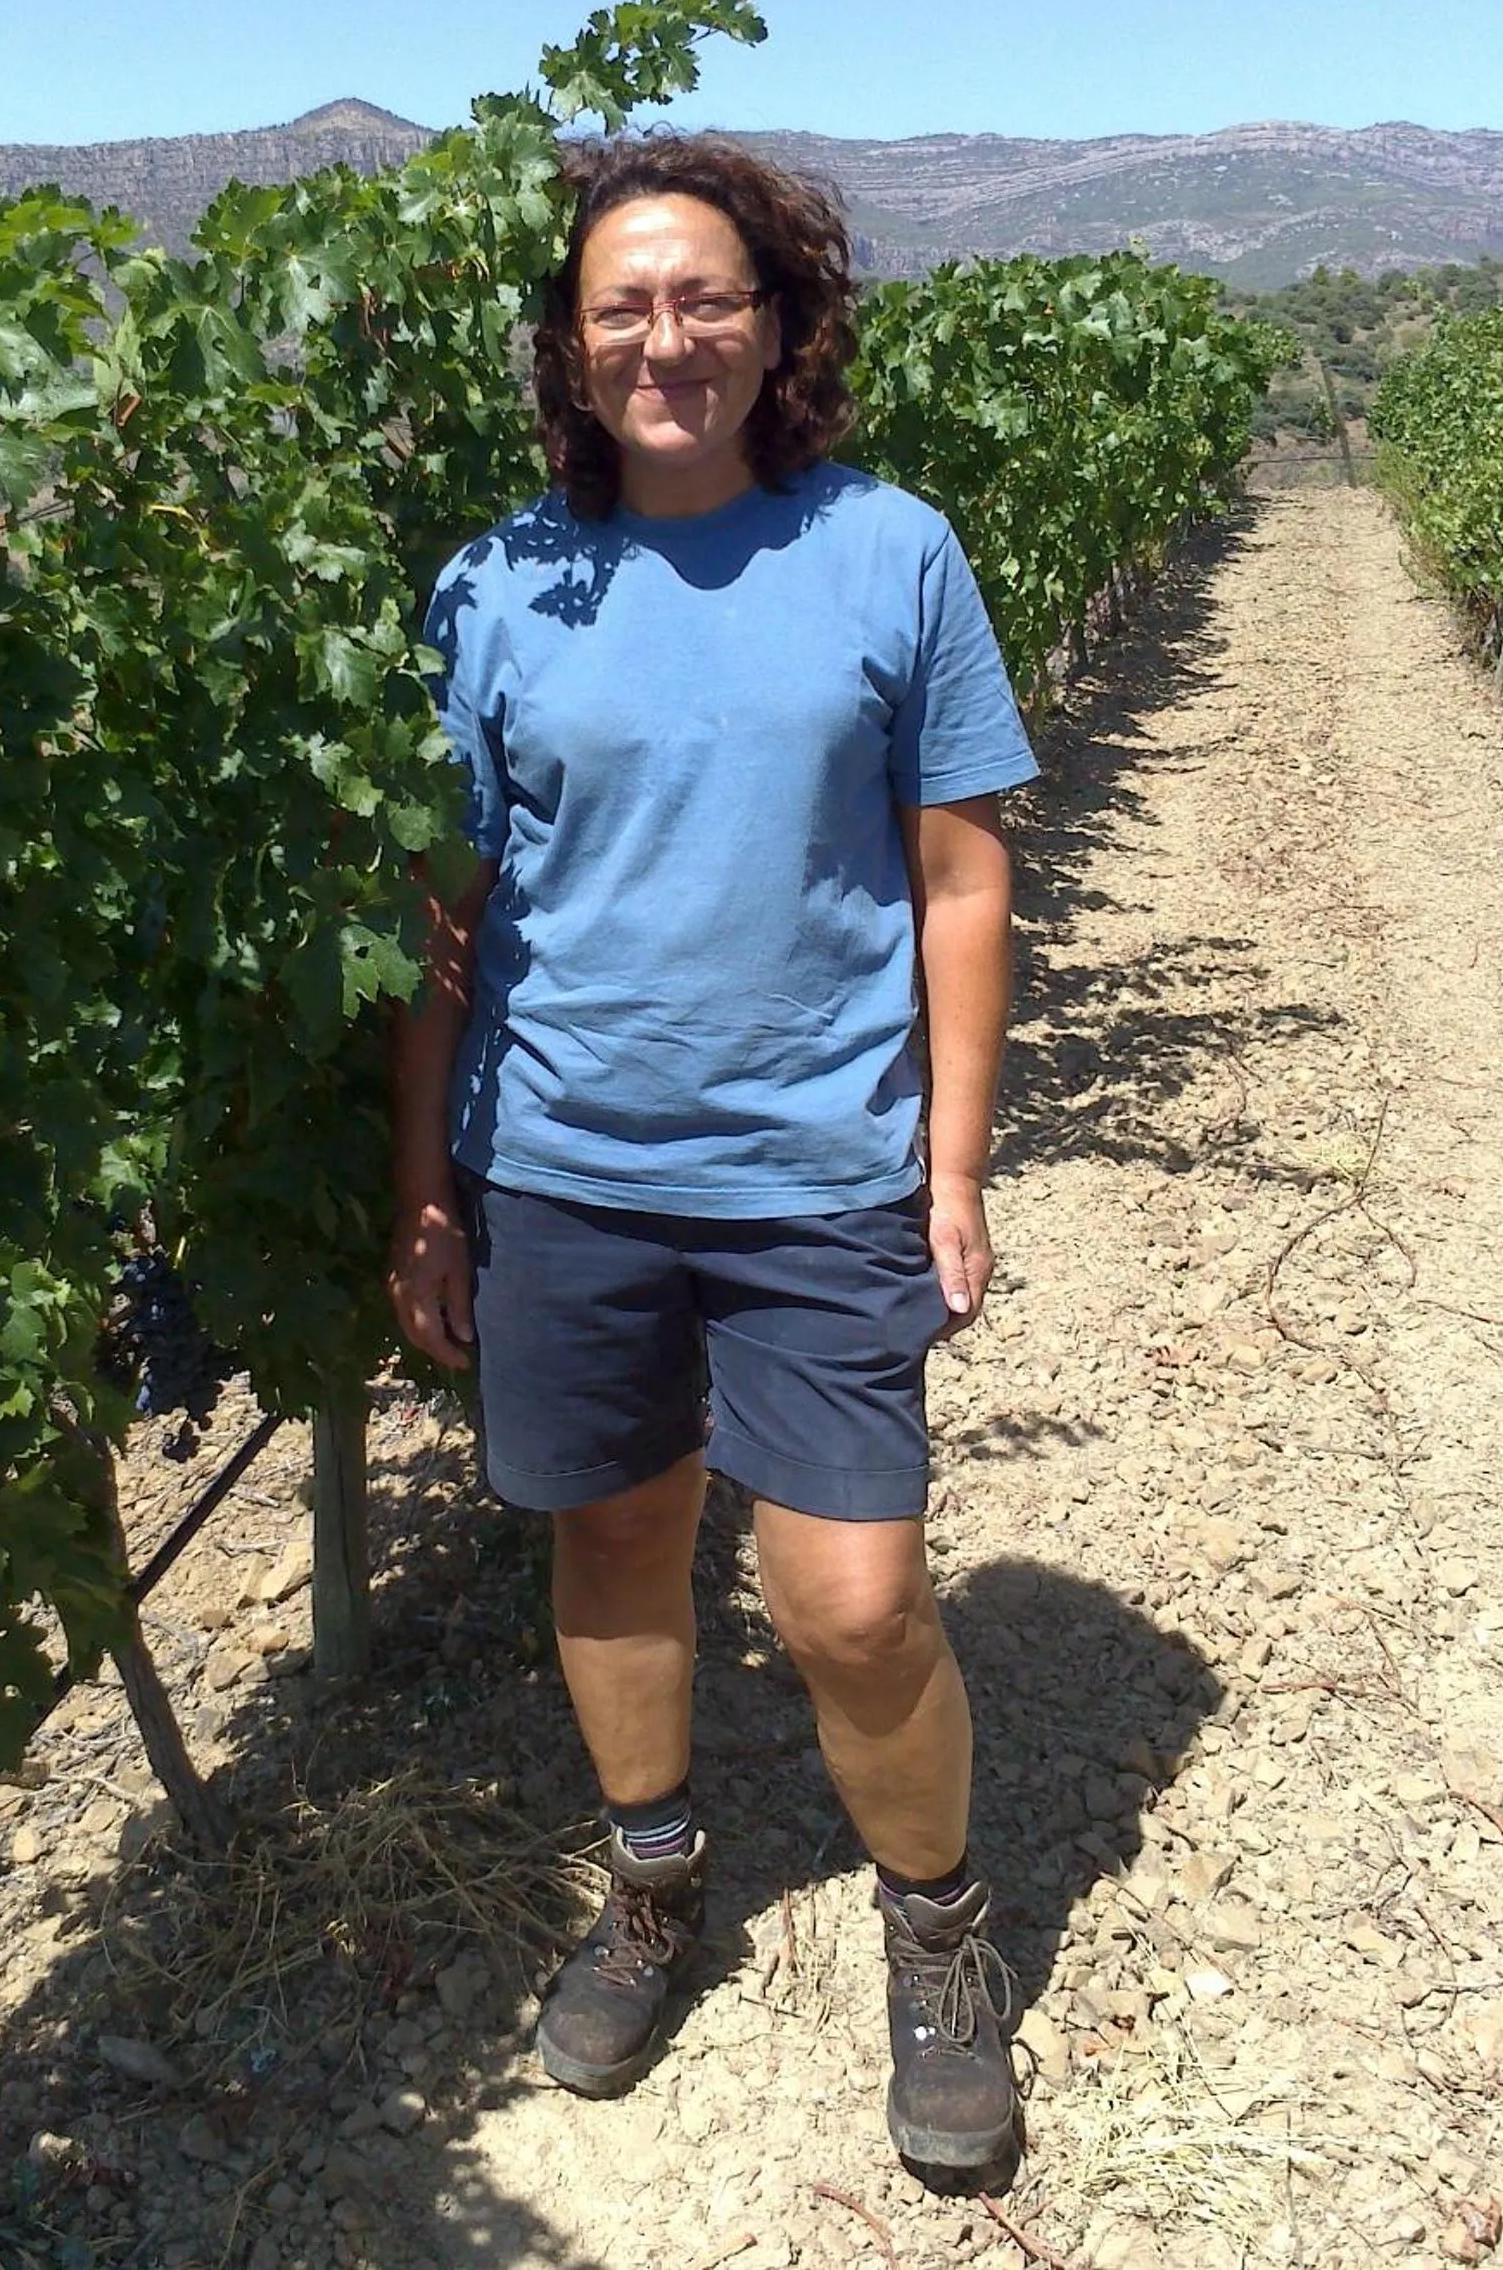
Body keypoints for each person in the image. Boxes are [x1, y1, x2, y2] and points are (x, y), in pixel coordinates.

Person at [387, 132, 1036, 2174]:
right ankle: (656, 1881)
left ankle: (938, 1929)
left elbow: (958, 873)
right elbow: (445, 919)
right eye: (621, 309)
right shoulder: (496, 586)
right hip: (568, 1163)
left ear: (776, 324)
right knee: (614, 1540)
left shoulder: (888, 553)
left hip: (822, 1171)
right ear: (572, 357)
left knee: (850, 1603)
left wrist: (951, 1157)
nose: (665, 337)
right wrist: (427, 1180)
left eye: (704, 299)